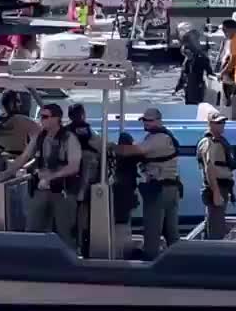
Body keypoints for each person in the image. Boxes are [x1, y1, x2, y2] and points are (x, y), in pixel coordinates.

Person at [0, 102, 82, 248]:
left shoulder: (69, 139)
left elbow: (74, 166)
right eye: (41, 117)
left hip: (63, 192)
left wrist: (52, 177)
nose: (41, 120)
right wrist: (2, 176)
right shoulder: (40, 137)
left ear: (56, 118)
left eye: (45, 117)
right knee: (32, 229)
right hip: (41, 190)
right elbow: (23, 158)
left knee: (64, 231)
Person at [114, 107, 181, 260]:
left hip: (159, 190)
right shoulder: (160, 136)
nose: (146, 123)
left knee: (152, 230)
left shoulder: (158, 138)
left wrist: (108, 146)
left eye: (150, 121)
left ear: (159, 121)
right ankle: (178, 260)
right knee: (171, 232)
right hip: (171, 188)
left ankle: (150, 263)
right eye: (144, 120)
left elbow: (130, 151)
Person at [66, 103, 102, 254]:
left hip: (71, 181)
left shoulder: (65, 132)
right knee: (81, 214)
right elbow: (97, 147)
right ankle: (80, 245)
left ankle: (77, 245)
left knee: (74, 215)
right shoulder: (87, 133)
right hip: (83, 182)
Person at [196, 112, 236, 240]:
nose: (222, 125)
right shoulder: (209, 143)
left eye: (223, 122)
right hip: (216, 188)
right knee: (216, 226)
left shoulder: (220, 141)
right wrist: (216, 192)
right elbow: (209, 167)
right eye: (218, 123)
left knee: (216, 222)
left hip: (223, 187)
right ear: (210, 124)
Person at [110, 131, 142, 259]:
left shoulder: (118, 158)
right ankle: (122, 251)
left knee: (119, 223)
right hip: (126, 194)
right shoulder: (132, 157)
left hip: (120, 194)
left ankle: (119, 251)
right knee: (123, 222)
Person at [0, 90, 40, 158]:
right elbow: (39, 135)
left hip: (1, 158)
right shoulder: (22, 120)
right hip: (21, 158)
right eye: (18, 101)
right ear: (11, 103)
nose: (20, 104)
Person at [173, 24, 214, 106]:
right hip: (189, 88)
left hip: (197, 87)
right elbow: (183, 75)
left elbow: (209, 71)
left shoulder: (200, 58)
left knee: (195, 102)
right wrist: (177, 88)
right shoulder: (188, 60)